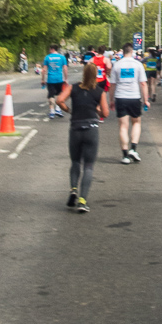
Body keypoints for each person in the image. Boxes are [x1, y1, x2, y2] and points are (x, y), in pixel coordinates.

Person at [56, 62, 109, 213]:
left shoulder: (73, 87)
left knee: (75, 162)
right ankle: (83, 200)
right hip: (91, 129)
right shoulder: (99, 92)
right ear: (96, 76)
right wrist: (97, 110)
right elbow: (105, 114)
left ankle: (73, 189)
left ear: (83, 73)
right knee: (89, 166)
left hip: (75, 128)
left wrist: (69, 110)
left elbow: (59, 100)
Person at [108, 43, 149, 164]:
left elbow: (112, 85)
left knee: (123, 127)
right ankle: (133, 148)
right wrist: (146, 99)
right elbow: (143, 83)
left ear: (123, 52)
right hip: (134, 97)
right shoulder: (138, 64)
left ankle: (125, 155)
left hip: (120, 97)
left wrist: (111, 100)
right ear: (132, 52)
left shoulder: (117, 65)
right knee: (136, 123)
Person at [41, 43, 68, 119]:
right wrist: (66, 79)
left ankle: (52, 111)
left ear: (52, 49)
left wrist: (43, 79)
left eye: (50, 49)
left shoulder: (47, 57)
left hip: (50, 79)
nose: (49, 50)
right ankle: (58, 109)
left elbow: (44, 70)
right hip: (59, 79)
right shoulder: (62, 57)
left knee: (51, 95)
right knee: (60, 95)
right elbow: (65, 69)